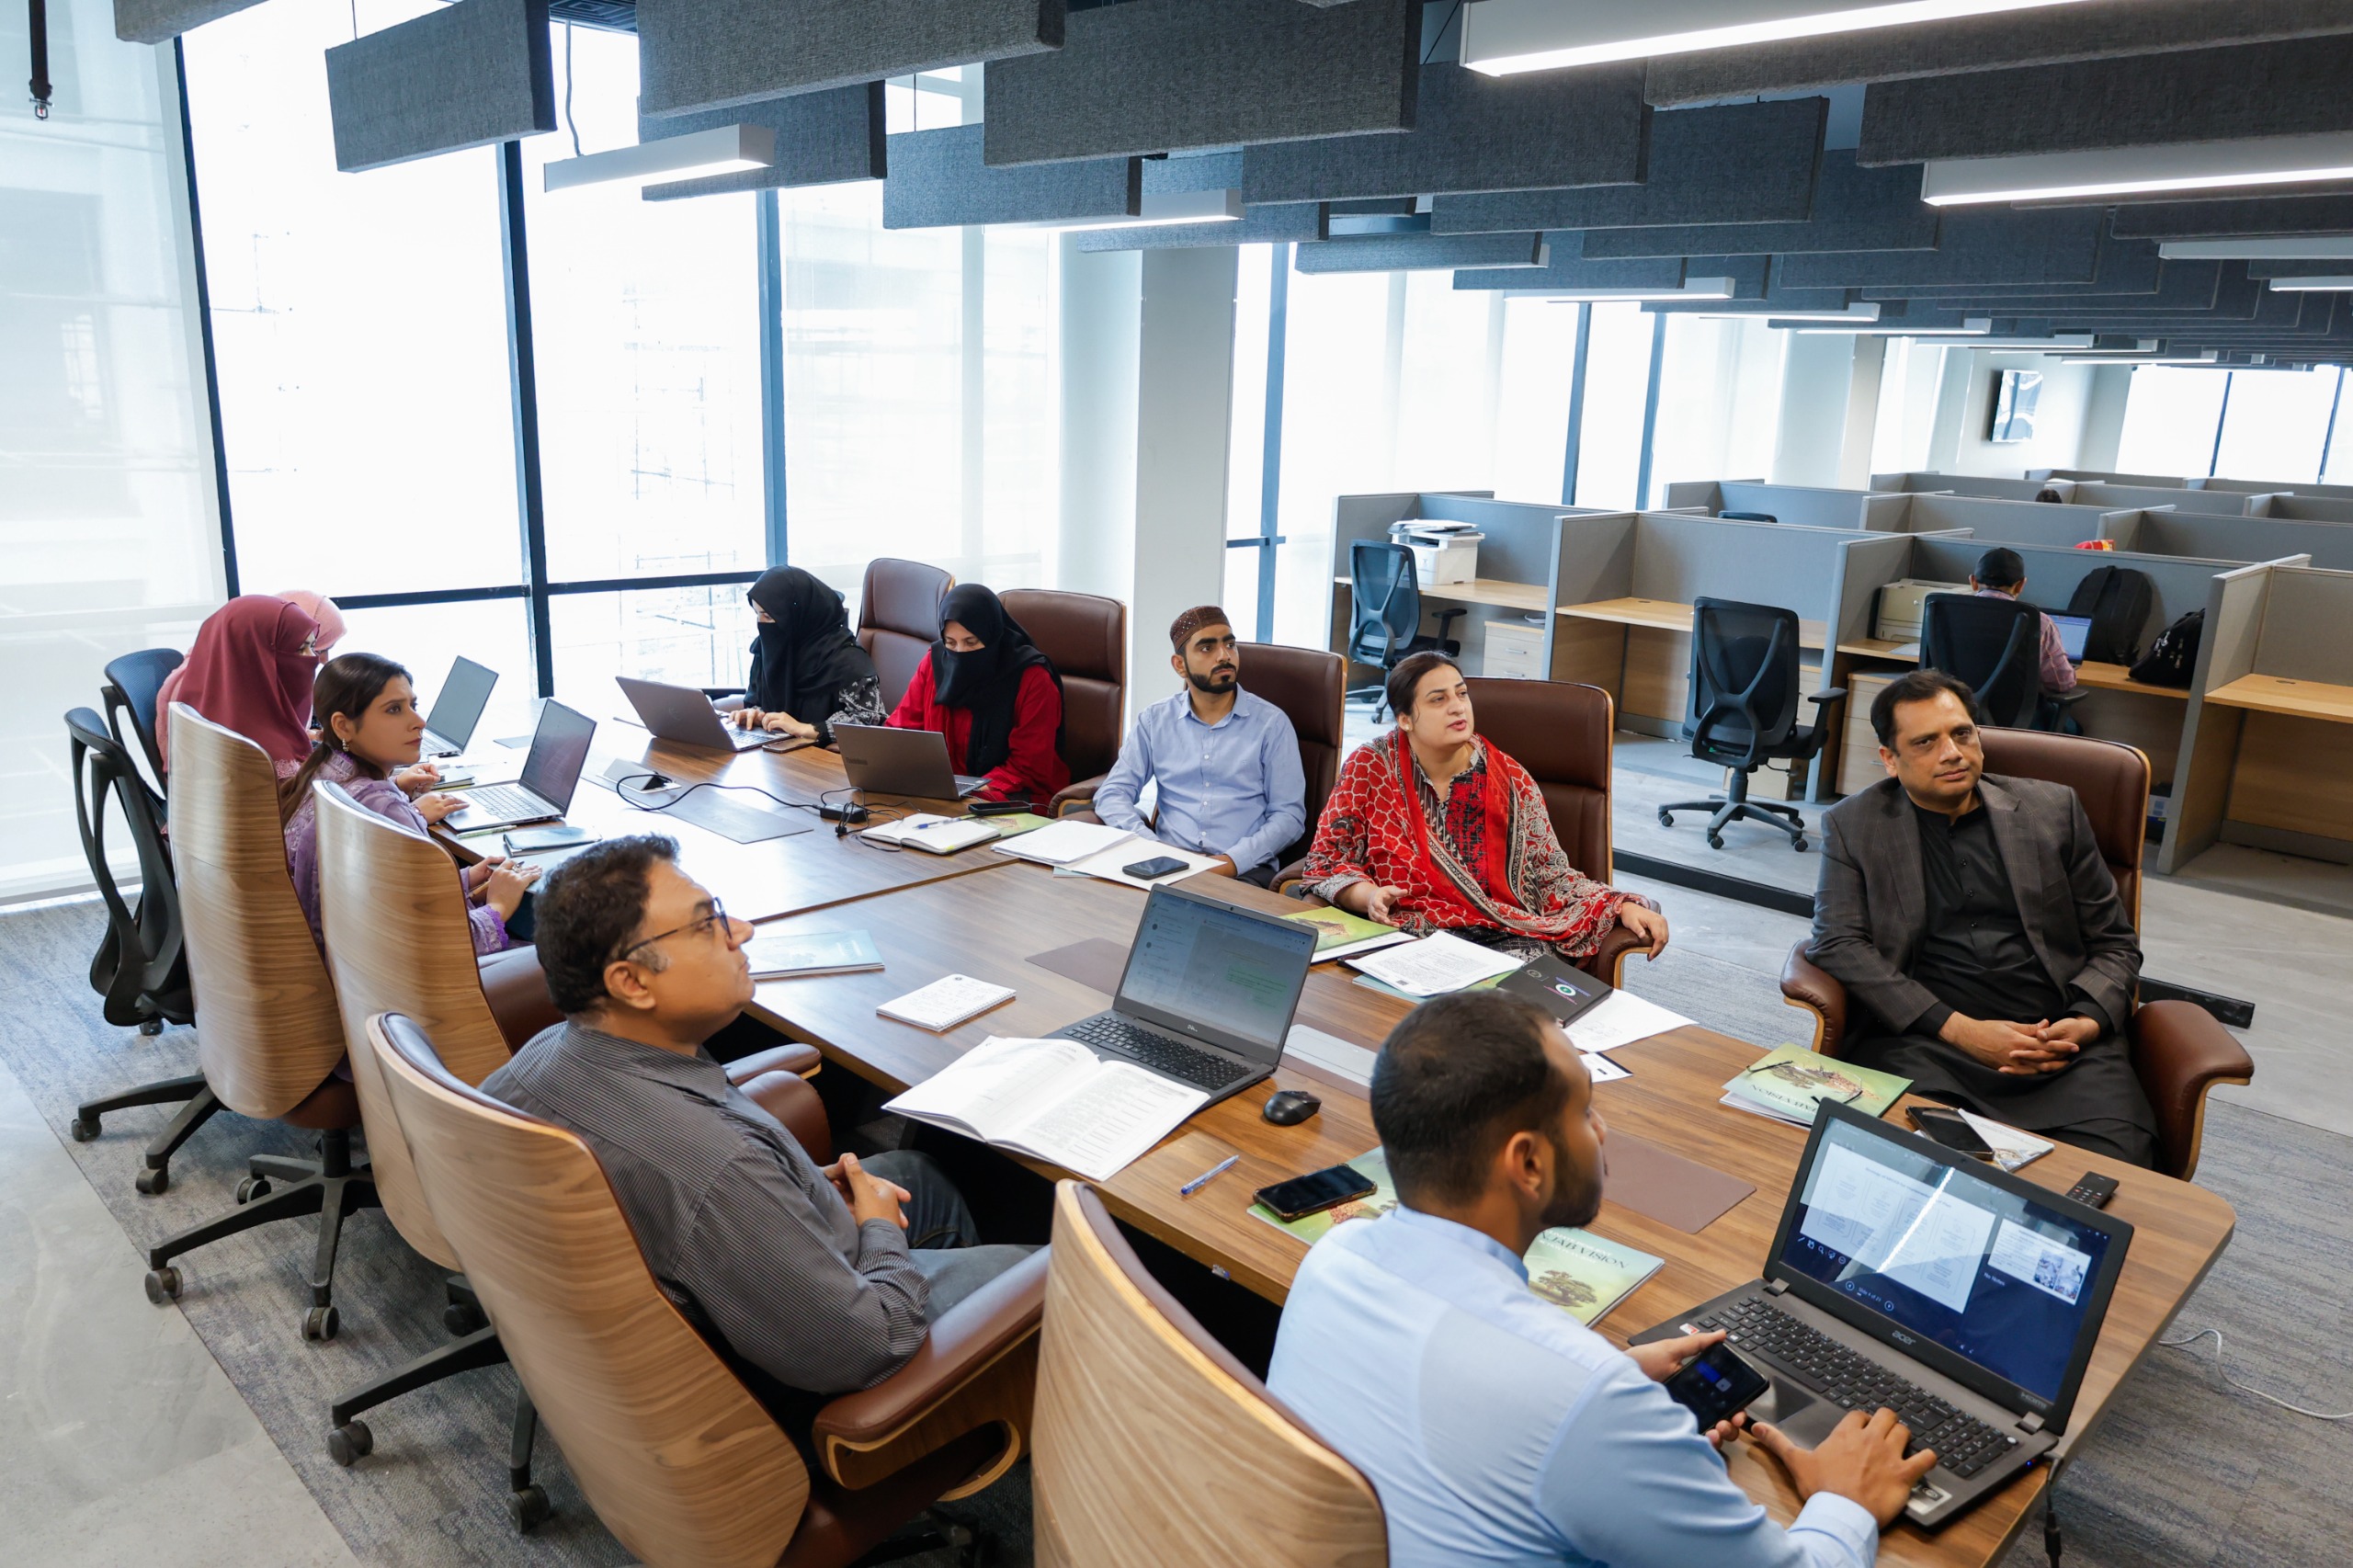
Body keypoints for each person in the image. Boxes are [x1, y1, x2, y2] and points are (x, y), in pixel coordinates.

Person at [1267, 990, 1935, 1567]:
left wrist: (1608, 1372)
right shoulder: (1584, 1400)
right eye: (1586, 1110)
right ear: (1528, 1163)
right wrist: (1844, 1502)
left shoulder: (1336, 1256)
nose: (1604, 1130)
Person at [479, 835, 1036, 1423]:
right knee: (1055, 1271)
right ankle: (971, 1405)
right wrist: (877, 1232)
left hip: (701, 1291)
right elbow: (867, 1348)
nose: (741, 930)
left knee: (926, 1175)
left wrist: (788, 1193)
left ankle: (994, 1394)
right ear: (632, 983)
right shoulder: (719, 1168)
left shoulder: (543, 1056)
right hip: (831, 1358)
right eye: (706, 925)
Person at [1804, 669, 2156, 1167]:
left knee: (2112, 1177)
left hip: (2060, 1047)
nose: (1952, 753)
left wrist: (2085, 1023)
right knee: (1902, 1165)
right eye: (1926, 742)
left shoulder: (2053, 810)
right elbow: (1837, 942)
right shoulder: (1853, 825)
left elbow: (2115, 943)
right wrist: (1959, 1030)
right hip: (1929, 1046)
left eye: (1962, 733)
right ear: (1890, 759)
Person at [1301, 651, 1667, 966]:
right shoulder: (1370, 765)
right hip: (1401, 931)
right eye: (1438, 699)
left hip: (1501, 935)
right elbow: (1327, 859)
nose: (1457, 706)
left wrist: (1620, 905)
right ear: (1404, 719)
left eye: (1461, 694)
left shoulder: (1510, 780)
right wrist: (1368, 896)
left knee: (1508, 1014)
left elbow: (1550, 875)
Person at [280, 652, 538, 955]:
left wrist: (467, 878)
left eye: (413, 705)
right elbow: (440, 943)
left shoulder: (323, 773)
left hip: (350, 973)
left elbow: (385, 895)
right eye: (394, 710)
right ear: (343, 726)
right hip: (401, 987)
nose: (419, 722)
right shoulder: (382, 808)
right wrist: (498, 906)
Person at [1091, 605, 1305, 887]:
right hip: (1165, 866)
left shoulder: (1271, 724)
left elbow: (1289, 816)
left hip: (1242, 873)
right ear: (1180, 665)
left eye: (1230, 644)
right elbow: (1113, 793)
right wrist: (1151, 847)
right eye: (1207, 648)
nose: (1224, 656)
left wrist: (1230, 862)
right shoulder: (1155, 720)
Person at [885, 584, 1069, 803]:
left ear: (992, 635)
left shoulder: (1032, 679)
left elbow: (1028, 767)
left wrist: (970, 793)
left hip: (1014, 798)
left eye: (971, 643)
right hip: (945, 795)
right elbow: (900, 731)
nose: (960, 653)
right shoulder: (935, 663)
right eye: (951, 643)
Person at [155, 593, 340, 775]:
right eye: (301, 648)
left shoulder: (221, 682)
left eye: (313, 646)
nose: (314, 659)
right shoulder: (258, 753)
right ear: (257, 652)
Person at [729, 566, 887, 743]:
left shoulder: (847, 661)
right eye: (758, 615)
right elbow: (758, 698)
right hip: (777, 755)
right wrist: (757, 715)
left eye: (768, 616)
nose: (761, 624)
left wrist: (808, 729)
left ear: (798, 615)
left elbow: (871, 723)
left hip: (825, 764)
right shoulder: (767, 648)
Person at [1969, 547, 2077, 697]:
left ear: (1973, 582)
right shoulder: (2039, 622)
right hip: (2012, 715)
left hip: (1950, 712)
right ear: (2021, 585)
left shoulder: (1944, 613)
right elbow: (2062, 683)